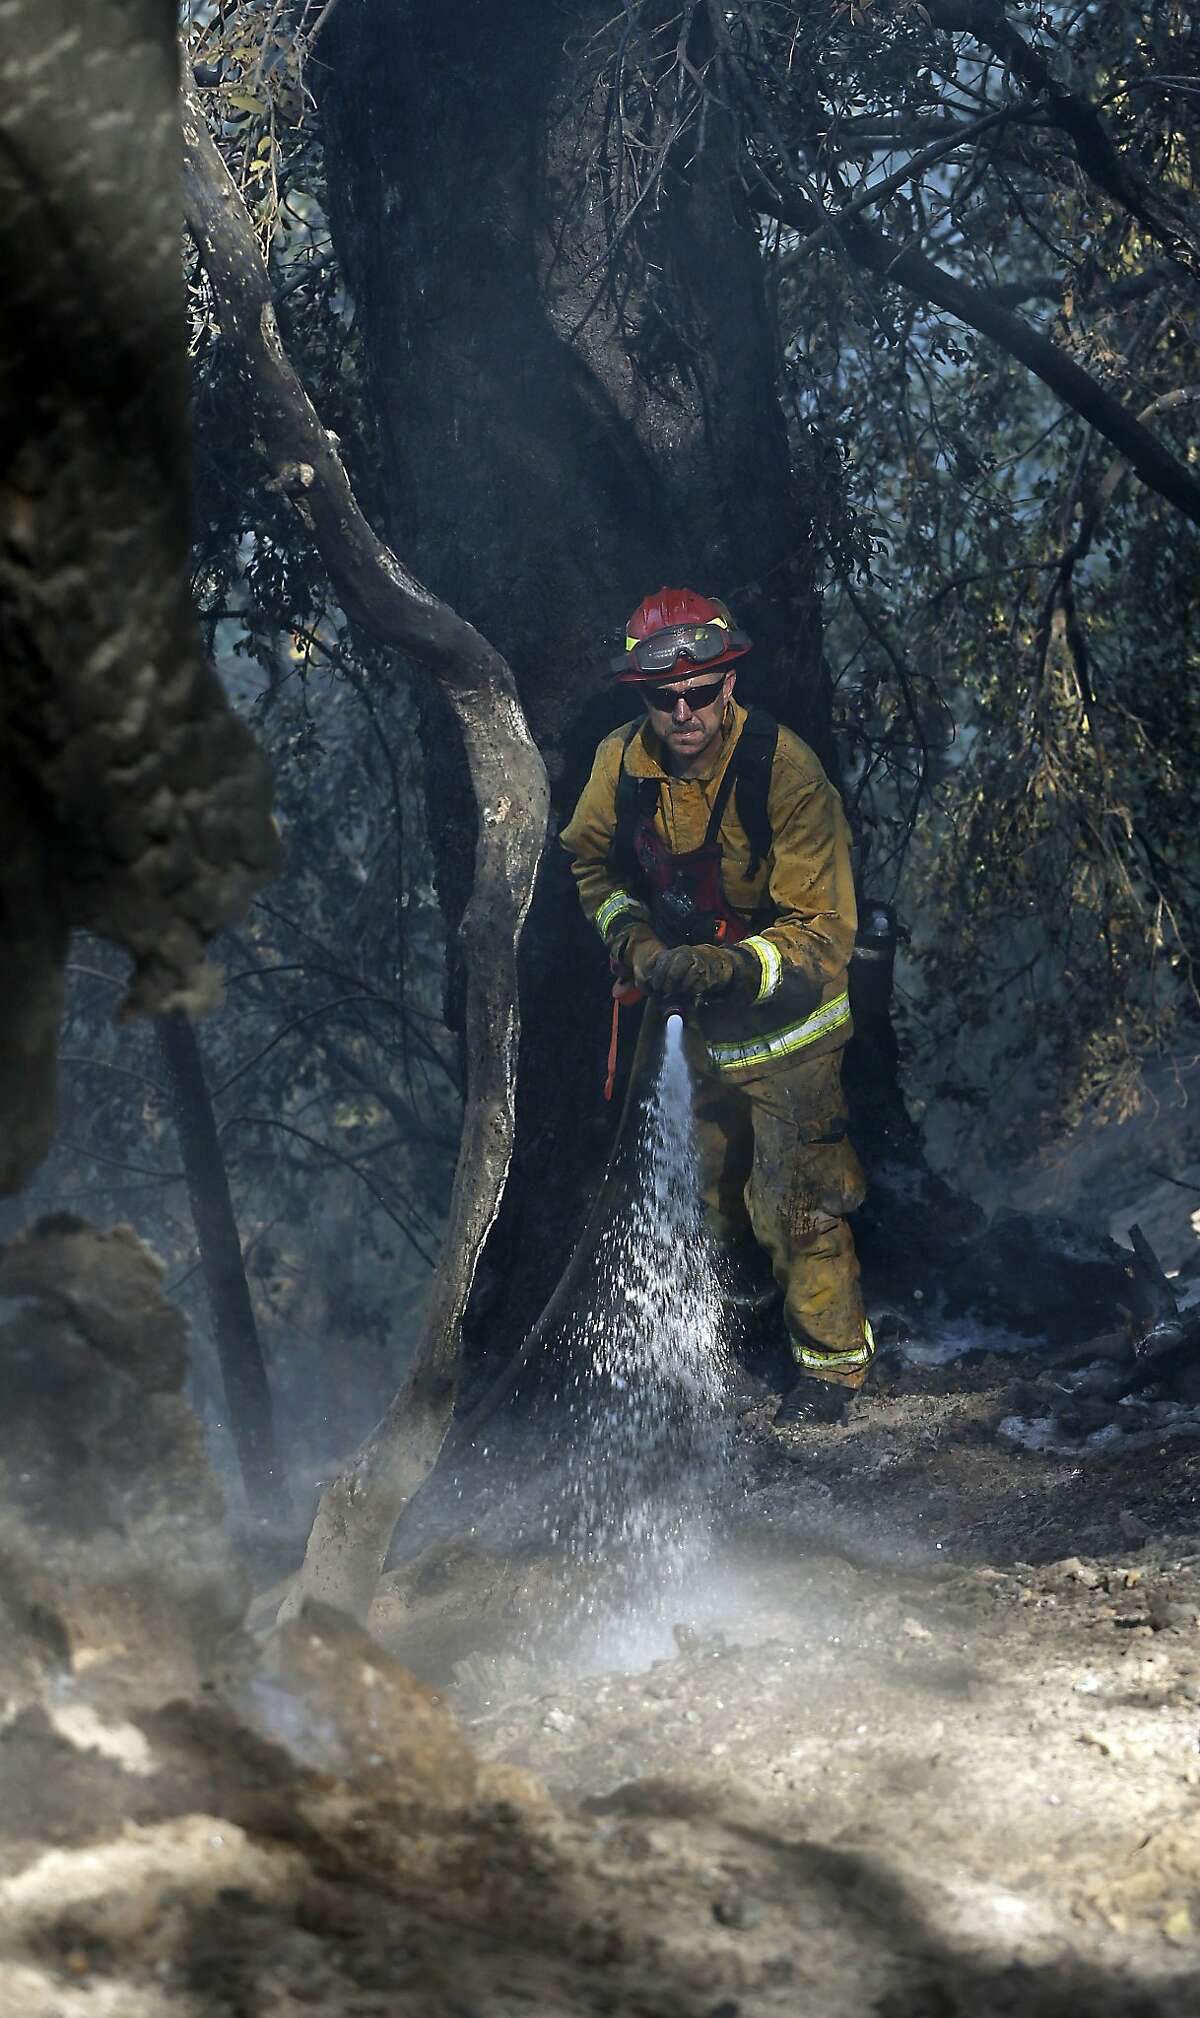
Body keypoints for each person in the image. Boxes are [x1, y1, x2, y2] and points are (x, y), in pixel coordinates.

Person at [560, 586, 873, 1425]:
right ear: (645, 697)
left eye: (702, 692)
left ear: (729, 683)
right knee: (706, 1198)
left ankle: (831, 1371)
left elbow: (824, 933)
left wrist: (730, 968)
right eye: (666, 698)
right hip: (693, 1031)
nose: (685, 711)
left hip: (792, 1030)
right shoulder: (618, 767)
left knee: (795, 1197)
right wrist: (638, 946)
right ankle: (744, 1342)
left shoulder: (784, 768)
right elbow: (592, 870)